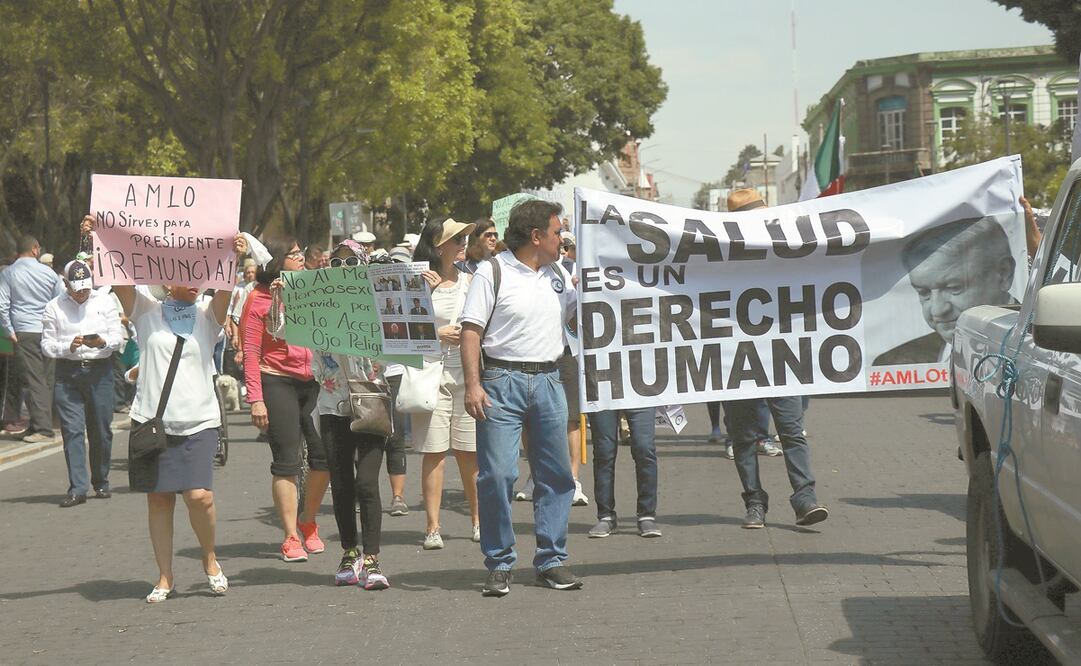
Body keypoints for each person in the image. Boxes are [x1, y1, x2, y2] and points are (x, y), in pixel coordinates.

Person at [80, 215, 244, 602]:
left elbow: (224, 286)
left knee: (199, 496)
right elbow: (117, 273)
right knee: (159, 498)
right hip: (153, 422)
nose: (190, 278)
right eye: (181, 271)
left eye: (197, 271)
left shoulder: (208, 316)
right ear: (165, 278)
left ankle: (209, 559)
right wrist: (95, 239)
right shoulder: (146, 310)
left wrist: (232, 256)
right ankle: (165, 576)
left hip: (200, 421)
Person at [461, 199, 582, 596]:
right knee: (497, 475)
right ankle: (499, 562)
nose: (561, 239)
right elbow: (471, 331)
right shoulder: (491, 272)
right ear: (536, 237)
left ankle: (551, 560)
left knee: (557, 476)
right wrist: (473, 384)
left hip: (549, 381)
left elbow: (574, 319)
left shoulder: (559, 273)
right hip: (501, 382)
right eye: (557, 232)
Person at [720, 190, 828, 530]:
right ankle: (754, 502)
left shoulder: (785, 252)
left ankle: (804, 498)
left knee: (792, 430)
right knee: (743, 436)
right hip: (735, 357)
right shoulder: (718, 259)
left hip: (782, 355)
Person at [243, 239, 330, 563]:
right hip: (276, 379)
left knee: (323, 457)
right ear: (278, 261)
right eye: (294, 254)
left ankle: (308, 520)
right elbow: (251, 351)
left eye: (300, 253)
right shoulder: (258, 299)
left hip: (315, 381)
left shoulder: (314, 290)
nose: (301, 258)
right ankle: (291, 535)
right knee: (287, 460)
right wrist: (256, 399)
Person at [312, 240, 391, 589]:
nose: (343, 270)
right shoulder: (318, 306)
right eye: (336, 264)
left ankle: (372, 558)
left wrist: (420, 294)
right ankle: (349, 552)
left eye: (350, 264)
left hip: (371, 399)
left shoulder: (378, 303)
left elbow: (406, 336)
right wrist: (284, 298)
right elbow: (280, 329)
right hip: (332, 404)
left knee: (366, 482)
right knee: (341, 483)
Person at [409, 218, 481, 549]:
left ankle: (479, 520)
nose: (463, 243)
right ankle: (432, 527)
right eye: (456, 239)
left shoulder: (472, 280)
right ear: (439, 247)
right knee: (434, 453)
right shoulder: (417, 281)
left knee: (470, 453)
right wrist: (437, 333)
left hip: (467, 376)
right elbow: (400, 330)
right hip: (429, 375)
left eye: (464, 238)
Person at [873, 215, 1016, 365]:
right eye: (924, 293)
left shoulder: (1040, 347)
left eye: (954, 288)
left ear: (1003, 274)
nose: (937, 311)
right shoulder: (894, 364)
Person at [41, 260, 124, 507]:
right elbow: (46, 345)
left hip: (99, 371)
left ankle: (101, 479)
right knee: (72, 431)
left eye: (85, 288)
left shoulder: (104, 301)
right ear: (65, 284)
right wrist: (68, 346)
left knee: (101, 429)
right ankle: (78, 487)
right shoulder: (53, 307)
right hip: (68, 374)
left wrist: (101, 343)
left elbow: (118, 338)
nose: (82, 292)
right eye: (76, 288)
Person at [0, 235, 63, 443]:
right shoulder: (50, 273)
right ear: (35, 249)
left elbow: (3, 305)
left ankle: (43, 428)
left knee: (33, 379)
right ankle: (42, 424)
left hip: (24, 330)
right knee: (46, 379)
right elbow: (59, 302)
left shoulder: (9, 273)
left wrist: (9, 330)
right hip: (47, 329)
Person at [586, 407, 661, 538]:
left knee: (644, 448)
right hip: (602, 391)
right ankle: (606, 516)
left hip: (640, 392)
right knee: (603, 452)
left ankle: (646, 515)